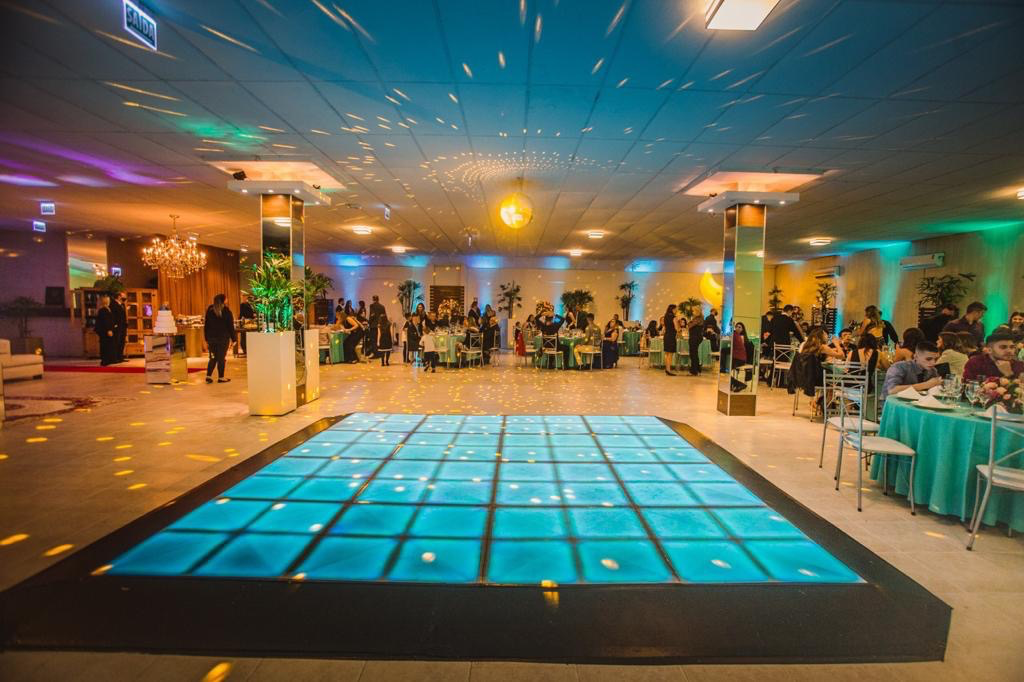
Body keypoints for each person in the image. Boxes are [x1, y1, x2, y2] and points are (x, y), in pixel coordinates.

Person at [204, 293, 236, 383]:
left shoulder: (210, 310)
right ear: (223, 300)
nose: (227, 300)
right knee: (221, 358)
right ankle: (221, 377)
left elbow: (206, 326)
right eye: (226, 298)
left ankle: (208, 376)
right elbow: (230, 326)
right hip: (223, 339)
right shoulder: (227, 311)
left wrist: (206, 338)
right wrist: (234, 339)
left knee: (213, 357)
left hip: (211, 339)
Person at [94, 294, 117, 366]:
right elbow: (105, 321)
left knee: (108, 345)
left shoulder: (107, 309)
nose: (109, 301)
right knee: (105, 345)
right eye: (108, 300)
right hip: (105, 331)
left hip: (107, 330)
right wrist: (109, 330)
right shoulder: (103, 310)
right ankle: (105, 360)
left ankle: (108, 359)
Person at [109, 291, 128, 363]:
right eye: (124, 296)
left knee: (122, 342)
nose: (125, 298)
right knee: (116, 342)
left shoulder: (122, 304)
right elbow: (113, 316)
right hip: (117, 327)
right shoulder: (113, 304)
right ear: (119, 296)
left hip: (123, 327)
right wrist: (115, 325)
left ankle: (120, 357)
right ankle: (115, 358)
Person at [662, 305, 679, 376]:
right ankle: (668, 370)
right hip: (671, 336)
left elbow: (665, 327)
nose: (677, 310)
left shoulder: (665, 316)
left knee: (666, 353)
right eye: (676, 309)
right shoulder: (673, 317)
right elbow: (676, 328)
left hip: (666, 336)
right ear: (673, 309)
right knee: (670, 354)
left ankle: (667, 369)